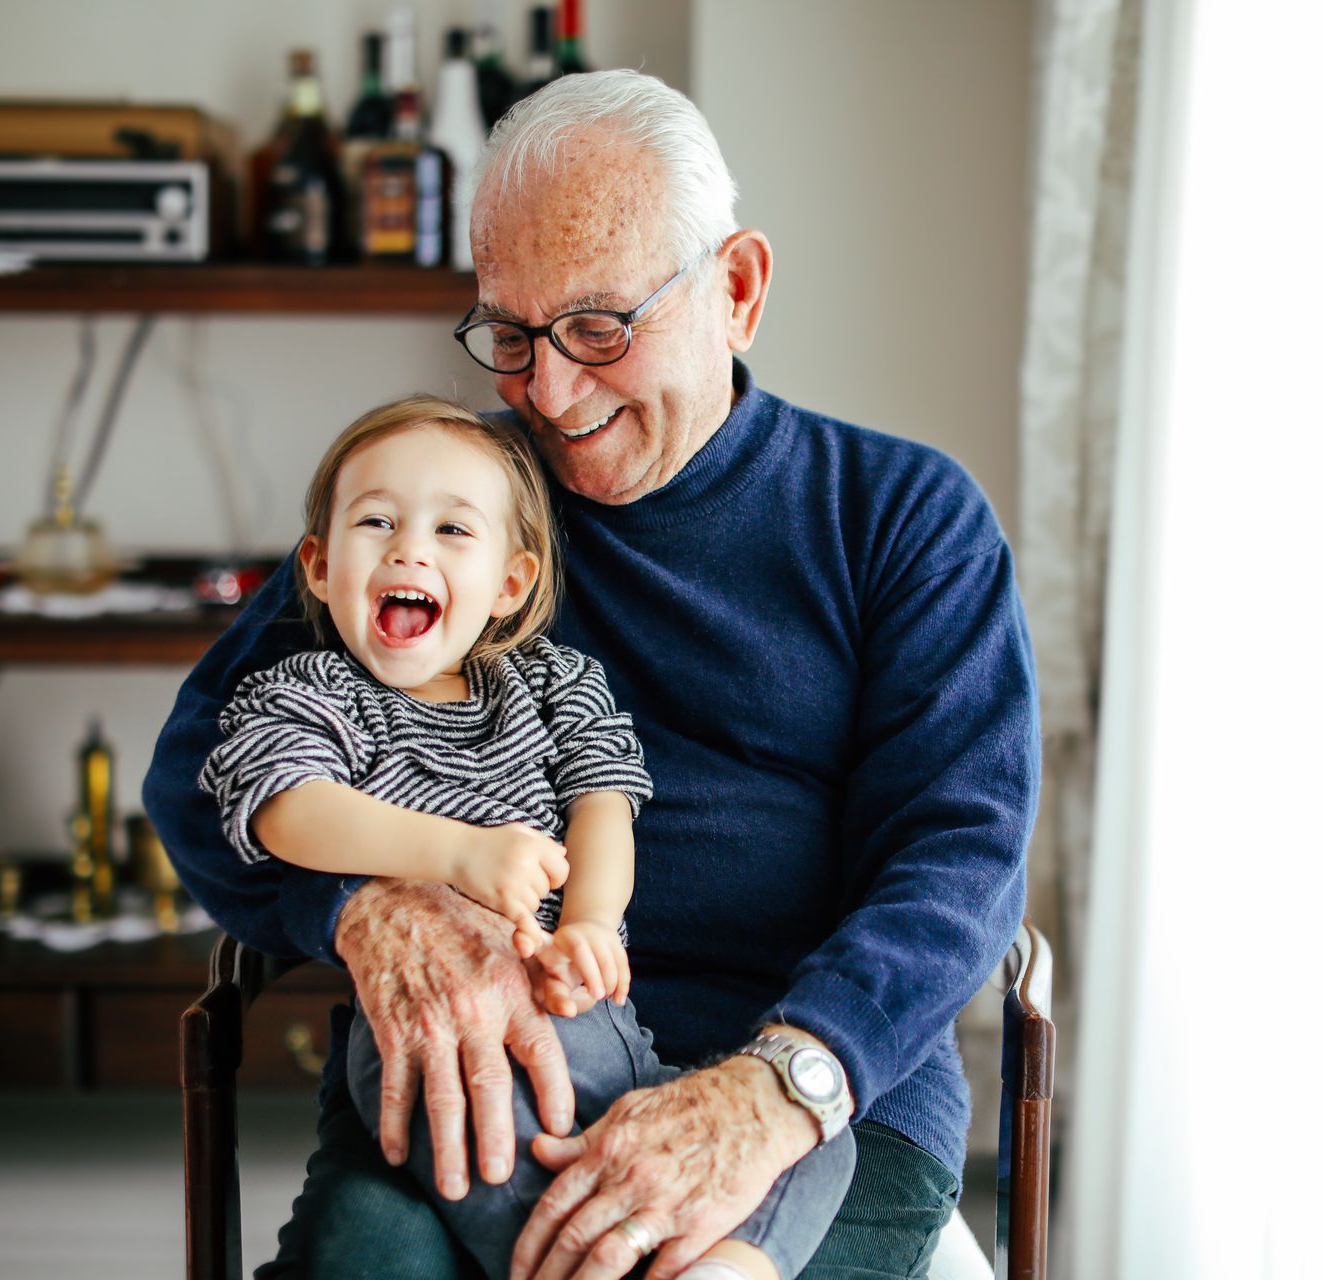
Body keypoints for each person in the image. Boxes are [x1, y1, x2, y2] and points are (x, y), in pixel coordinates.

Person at [145, 68, 1038, 1280]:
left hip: (810, 1090)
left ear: (736, 290)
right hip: (489, 1064)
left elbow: (960, 856)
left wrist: (772, 1092)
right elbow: (206, 764)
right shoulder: (454, 510)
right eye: (509, 334)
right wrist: (365, 903)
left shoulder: (901, 517)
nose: (549, 396)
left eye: (599, 328)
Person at [196, 395, 853, 1280]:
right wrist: (457, 854)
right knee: (480, 1141)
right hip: (435, 1034)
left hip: (601, 1028)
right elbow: (286, 807)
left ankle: (728, 1267)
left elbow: (605, 805)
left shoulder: (552, 683)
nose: (409, 548)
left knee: (816, 1138)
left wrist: (589, 921)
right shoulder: (313, 692)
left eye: (452, 531)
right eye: (377, 521)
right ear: (317, 566)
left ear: (510, 582)